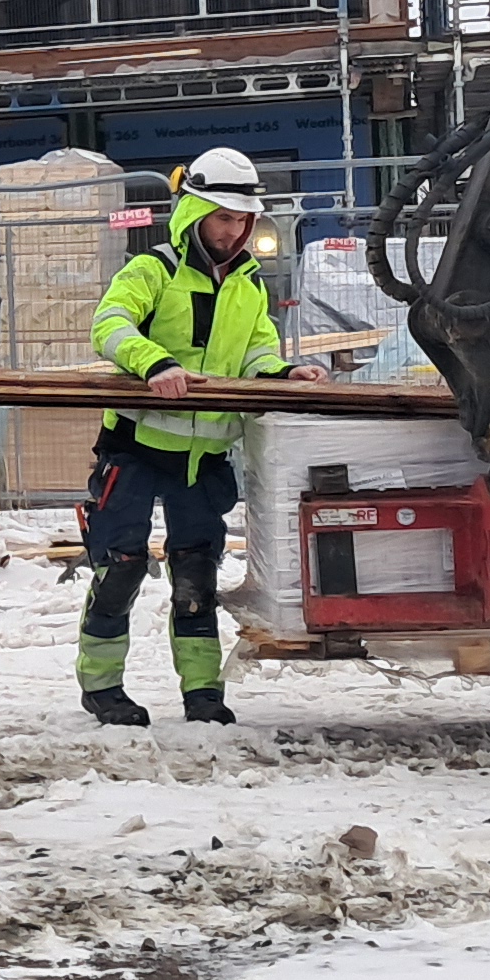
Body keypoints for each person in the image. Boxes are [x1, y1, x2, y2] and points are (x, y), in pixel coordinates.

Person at [77, 147, 322, 726]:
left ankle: (202, 692)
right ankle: (101, 685)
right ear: (194, 214)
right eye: (222, 217)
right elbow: (108, 326)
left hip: (204, 457)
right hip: (135, 449)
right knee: (120, 569)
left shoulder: (249, 285)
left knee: (196, 576)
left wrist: (284, 372)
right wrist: (153, 363)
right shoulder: (151, 270)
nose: (233, 229)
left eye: (241, 219)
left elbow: (258, 348)